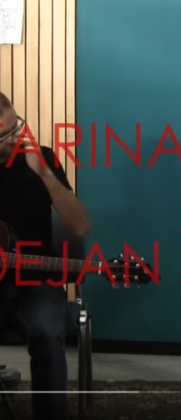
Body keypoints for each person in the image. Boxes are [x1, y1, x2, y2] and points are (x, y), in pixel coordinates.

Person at [0, 92, 90, 420]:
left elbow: (79, 226)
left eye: (17, 128)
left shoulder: (43, 159)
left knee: (47, 332)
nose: (16, 139)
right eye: (5, 136)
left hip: (36, 283)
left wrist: (46, 175)